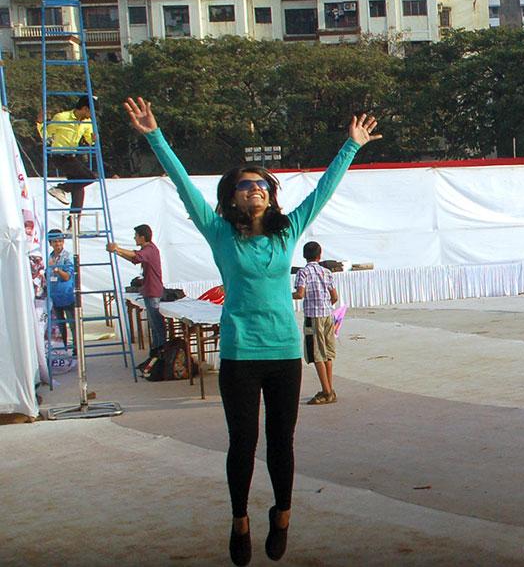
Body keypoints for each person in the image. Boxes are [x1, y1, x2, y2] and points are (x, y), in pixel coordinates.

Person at [123, 96, 380, 566]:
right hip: (241, 354)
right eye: (244, 185)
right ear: (233, 196)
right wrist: (153, 135)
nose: (254, 189)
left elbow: (323, 190)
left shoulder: (287, 232)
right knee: (242, 441)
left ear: (270, 193)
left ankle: (281, 515)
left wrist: (351, 145)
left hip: (283, 353)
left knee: (283, 441)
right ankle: (239, 519)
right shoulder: (219, 231)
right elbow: (182, 185)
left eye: (260, 184)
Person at [37, 96, 97, 230]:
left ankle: (74, 223)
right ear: (85, 108)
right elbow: (46, 134)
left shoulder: (87, 122)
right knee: (90, 177)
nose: (92, 114)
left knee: (79, 188)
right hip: (59, 155)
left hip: (71, 155)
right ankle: (60, 188)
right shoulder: (61, 117)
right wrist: (40, 123)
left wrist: (93, 139)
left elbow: (89, 139)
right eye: (91, 111)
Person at [293, 241, 339, 405]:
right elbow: (335, 296)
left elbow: (300, 294)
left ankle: (326, 392)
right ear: (319, 255)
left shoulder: (303, 273)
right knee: (327, 352)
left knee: (317, 353)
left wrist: (285, 295)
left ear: (305, 256)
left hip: (313, 316)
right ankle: (329, 388)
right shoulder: (326, 272)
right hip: (328, 315)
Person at [107, 225, 166, 352]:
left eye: (136, 236)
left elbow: (136, 255)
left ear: (142, 237)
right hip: (149, 290)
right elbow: (134, 258)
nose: (134, 238)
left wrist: (117, 248)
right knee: (154, 324)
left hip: (152, 291)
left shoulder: (150, 249)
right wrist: (117, 251)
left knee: (156, 324)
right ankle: (157, 350)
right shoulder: (148, 249)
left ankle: (160, 350)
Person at [46, 228, 76, 355]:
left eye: (59, 241)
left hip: (67, 295)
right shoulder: (50, 256)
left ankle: (76, 349)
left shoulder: (67, 256)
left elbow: (67, 276)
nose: (57, 244)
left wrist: (56, 269)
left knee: (72, 324)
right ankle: (63, 350)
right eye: (54, 241)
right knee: (59, 326)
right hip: (54, 296)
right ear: (50, 243)